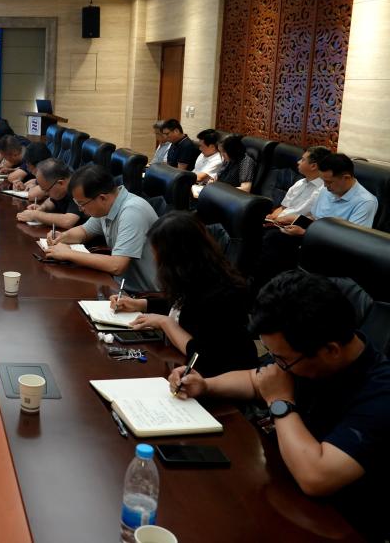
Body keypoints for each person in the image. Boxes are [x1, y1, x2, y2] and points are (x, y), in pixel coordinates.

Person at [169, 270, 390, 540]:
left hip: (336, 524)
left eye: (283, 359)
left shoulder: (381, 393)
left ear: (331, 350)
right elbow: (258, 379)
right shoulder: (308, 355)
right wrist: (206, 385)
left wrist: (280, 402)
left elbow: (316, 477)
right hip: (284, 490)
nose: (277, 364)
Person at [110, 212, 258, 376]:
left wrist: (166, 323)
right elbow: (181, 306)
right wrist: (140, 304)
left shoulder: (222, 296)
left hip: (221, 377)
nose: (155, 261)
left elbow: (203, 356)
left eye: (158, 255)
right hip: (186, 366)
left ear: (175, 259)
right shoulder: (198, 276)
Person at [252, 154, 379, 290]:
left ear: (346, 178)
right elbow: (314, 217)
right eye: (323, 181)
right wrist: (296, 220)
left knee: (275, 248)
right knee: (269, 235)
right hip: (311, 237)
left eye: (329, 182)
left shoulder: (365, 202)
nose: (325, 186)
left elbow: (353, 241)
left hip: (333, 250)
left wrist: (305, 233)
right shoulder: (325, 190)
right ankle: (259, 287)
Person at [42, 164, 159, 292]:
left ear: (102, 198)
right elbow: (84, 231)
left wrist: (68, 254)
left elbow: (117, 266)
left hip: (143, 295)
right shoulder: (108, 205)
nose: (81, 209)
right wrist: (63, 237)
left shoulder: (132, 212)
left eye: (82, 204)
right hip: (118, 285)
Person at [264, 146, 331, 225]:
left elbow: (316, 220)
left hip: (295, 227)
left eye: (302, 160)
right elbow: (283, 207)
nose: (298, 162)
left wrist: (288, 220)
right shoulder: (299, 183)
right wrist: (272, 217)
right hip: (278, 223)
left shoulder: (325, 190)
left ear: (313, 166)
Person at [15, 159, 86, 230]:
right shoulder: (60, 188)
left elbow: (68, 221)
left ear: (61, 183)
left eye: (47, 190)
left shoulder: (78, 187)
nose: (46, 194)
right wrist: (43, 207)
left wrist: (36, 215)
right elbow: (52, 200)